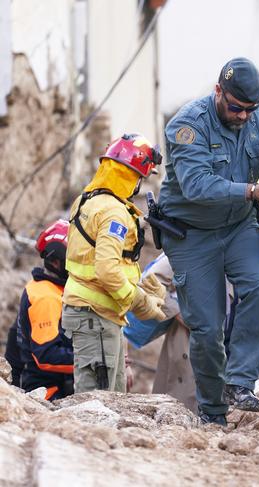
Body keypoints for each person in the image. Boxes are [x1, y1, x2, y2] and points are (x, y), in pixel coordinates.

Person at [157, 57, 259, 425]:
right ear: (218, 92)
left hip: (239, 225)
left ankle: (240, 383)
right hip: (192, 232)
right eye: (236, 107)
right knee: (207, 328)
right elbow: (196, 185)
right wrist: (253, 189)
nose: (244, 116)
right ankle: (212, 412)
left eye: (251, 109)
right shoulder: (187, 125)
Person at [124, 249, 259, 415]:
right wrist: (179, 311)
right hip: (192, 350)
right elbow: (148, 282)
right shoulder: (191, 241)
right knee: (187, 421)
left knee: (243, 422)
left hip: (245, 357)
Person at [62, 133, 165, 393]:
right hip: (96, 314)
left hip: (94, 313)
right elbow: (107, 270)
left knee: (113, 393)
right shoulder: (115, 213)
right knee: (98, 400)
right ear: (132, 177)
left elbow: (97, 257)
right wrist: (139, 301)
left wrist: (135, 284)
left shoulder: (86, 200)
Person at [7, 220, 74, 400]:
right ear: (56, 261)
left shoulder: (50, 288)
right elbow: (47, 356)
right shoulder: (46, 297)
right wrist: (91, 359)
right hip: (48, 394)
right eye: (73, 258)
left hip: (57, 386)